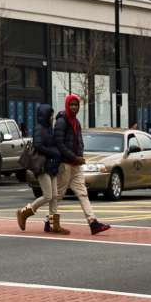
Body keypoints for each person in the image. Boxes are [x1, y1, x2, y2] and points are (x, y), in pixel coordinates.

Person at [49, 94, 108, 235]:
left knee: (82, 193)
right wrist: (74, 157)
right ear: (67, 105)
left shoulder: (76, 121)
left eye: (76, 104)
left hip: (76, 164)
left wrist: (80, 155)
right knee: (58, 195)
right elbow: (59, 144)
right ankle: (49, 222)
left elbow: (79, 140)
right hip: (65, 164)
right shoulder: (62, 122)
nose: (74, 107)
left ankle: (93, 223)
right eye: (71, 104)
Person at [14, 102, 63, 233]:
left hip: (51, 166)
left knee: (54, 196)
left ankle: (53, 225)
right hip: (41, 166)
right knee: (48, 195)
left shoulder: (49, 128)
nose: (52, 117)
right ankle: (24, 212)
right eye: (50, 115)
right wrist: (54, 152)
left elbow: (51, 144)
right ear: (45, 115)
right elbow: (38, 145)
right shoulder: (39, 128)